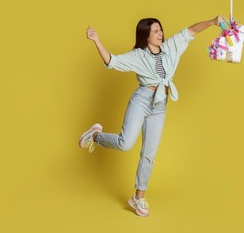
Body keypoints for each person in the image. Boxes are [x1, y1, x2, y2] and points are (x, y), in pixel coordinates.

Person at [79, 15, 223, 217]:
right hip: (142, 99)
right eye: (155, 31)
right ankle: (95, 135)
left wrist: (213, 21)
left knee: (149, 154)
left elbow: (191, 31)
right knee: (125, 143)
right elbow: (111, 61)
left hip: (160, 104)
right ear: (145, 35)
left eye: (160, 30)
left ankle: (139, 198)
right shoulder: (138, 55)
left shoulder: (171, 47)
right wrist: (96, 40)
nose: (160, 33)